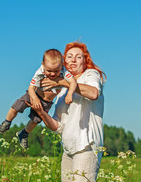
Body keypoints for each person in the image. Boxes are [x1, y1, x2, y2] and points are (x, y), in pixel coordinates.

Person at [27, 42, 106, 182]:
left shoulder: (90, 74)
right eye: (69, 57)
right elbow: (58, 126)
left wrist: (62, 82)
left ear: (85, 60)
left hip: (86, 145)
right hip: (68, 149)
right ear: (64, 61)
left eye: (78, 57)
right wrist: (40, 112)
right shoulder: (62, 91)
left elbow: (94, 93)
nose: (73, 60)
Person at [0, 49, 77, 149]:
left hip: (46, 102)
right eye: (49, 71)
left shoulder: (64, 71)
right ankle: (6, 123)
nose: (52, 74)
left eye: (56, 71)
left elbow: (73, 82)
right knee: (17, 106)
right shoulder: (40, 72)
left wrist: (70, 94)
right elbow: (31, 87)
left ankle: (24, 133)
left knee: (36, 120)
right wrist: (34, 98)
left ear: (61, 65)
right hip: (33, 95)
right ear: (43, 65)